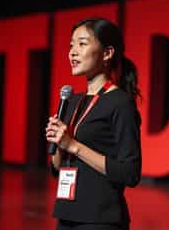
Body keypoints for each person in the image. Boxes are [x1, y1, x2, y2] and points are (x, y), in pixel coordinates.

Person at [45, 17, 142, 230]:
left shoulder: (120, 103)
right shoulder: (72, 102)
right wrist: (59, 144)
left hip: (99, 219)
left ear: (107, 53)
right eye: (71, 45)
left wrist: (73, 145)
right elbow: (57, 169)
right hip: (66, 214)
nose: (72, 51)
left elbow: (130, 173)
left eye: (82, 43)